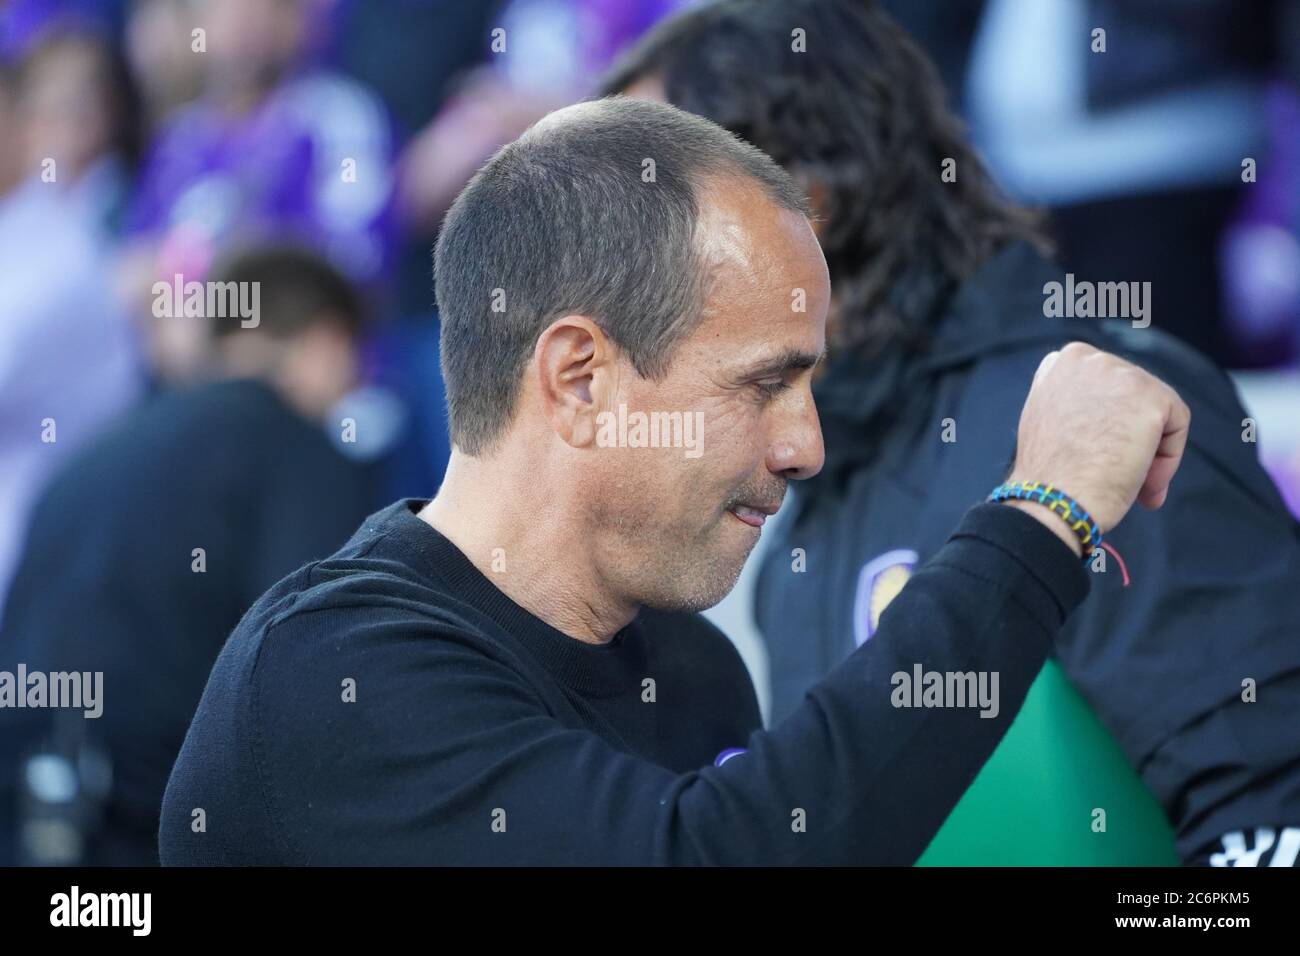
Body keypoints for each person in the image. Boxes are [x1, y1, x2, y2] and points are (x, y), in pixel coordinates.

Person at [157, 98, 1188, 865]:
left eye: (812, 382)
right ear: (581, 377)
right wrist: (1039, 517)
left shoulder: (691, 672)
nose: (805, 445)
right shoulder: (333, 671)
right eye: (766, 381)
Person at [603, 0, 1300, 865]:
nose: (613, 272)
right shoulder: (810, 489)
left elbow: (1270, 834)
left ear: (802, 209)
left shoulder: (1092, 410)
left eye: (649, 214)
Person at [0, 246, 376, 865]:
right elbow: (310, 661)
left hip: (30, 806)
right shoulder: (294, 445)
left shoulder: (92, 455)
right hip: (157, 819)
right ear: (327, 341)